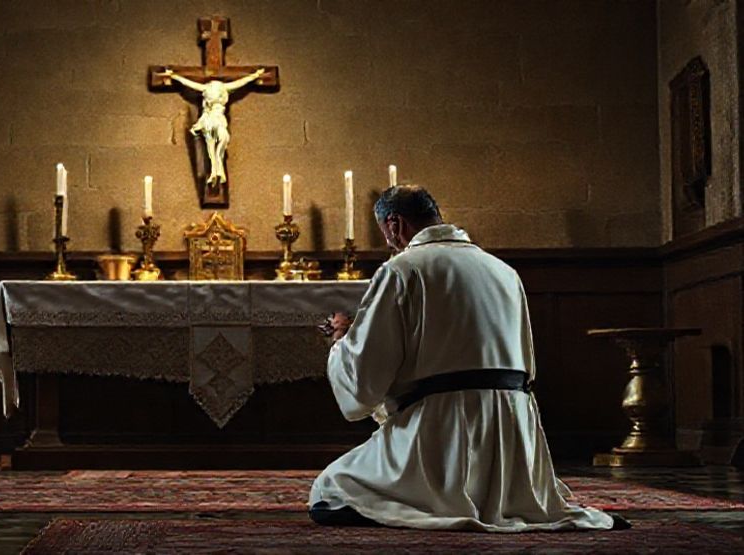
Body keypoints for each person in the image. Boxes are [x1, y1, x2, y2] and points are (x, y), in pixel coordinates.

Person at [309, 185, 625, 532]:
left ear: (395, 224)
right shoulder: (503, 271)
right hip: (513, 434)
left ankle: (434, 502)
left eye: (387, 233)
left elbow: (365, 374)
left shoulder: (402, 270)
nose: (390, 243)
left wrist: (341, 338)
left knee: (330, 488)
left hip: (439, 432)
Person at [159, 68, 265, 186]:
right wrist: (174, 76)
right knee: (210, 145)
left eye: (216, 94)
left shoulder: (224, 87)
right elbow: (189, 84)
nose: (213, 96)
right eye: (211, 94)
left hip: (219, 119)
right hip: (208, 119)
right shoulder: (206, 89)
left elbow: (240, 83)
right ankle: (214, 171)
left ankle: (219, 168)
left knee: (223, 138)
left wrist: (254, 76)